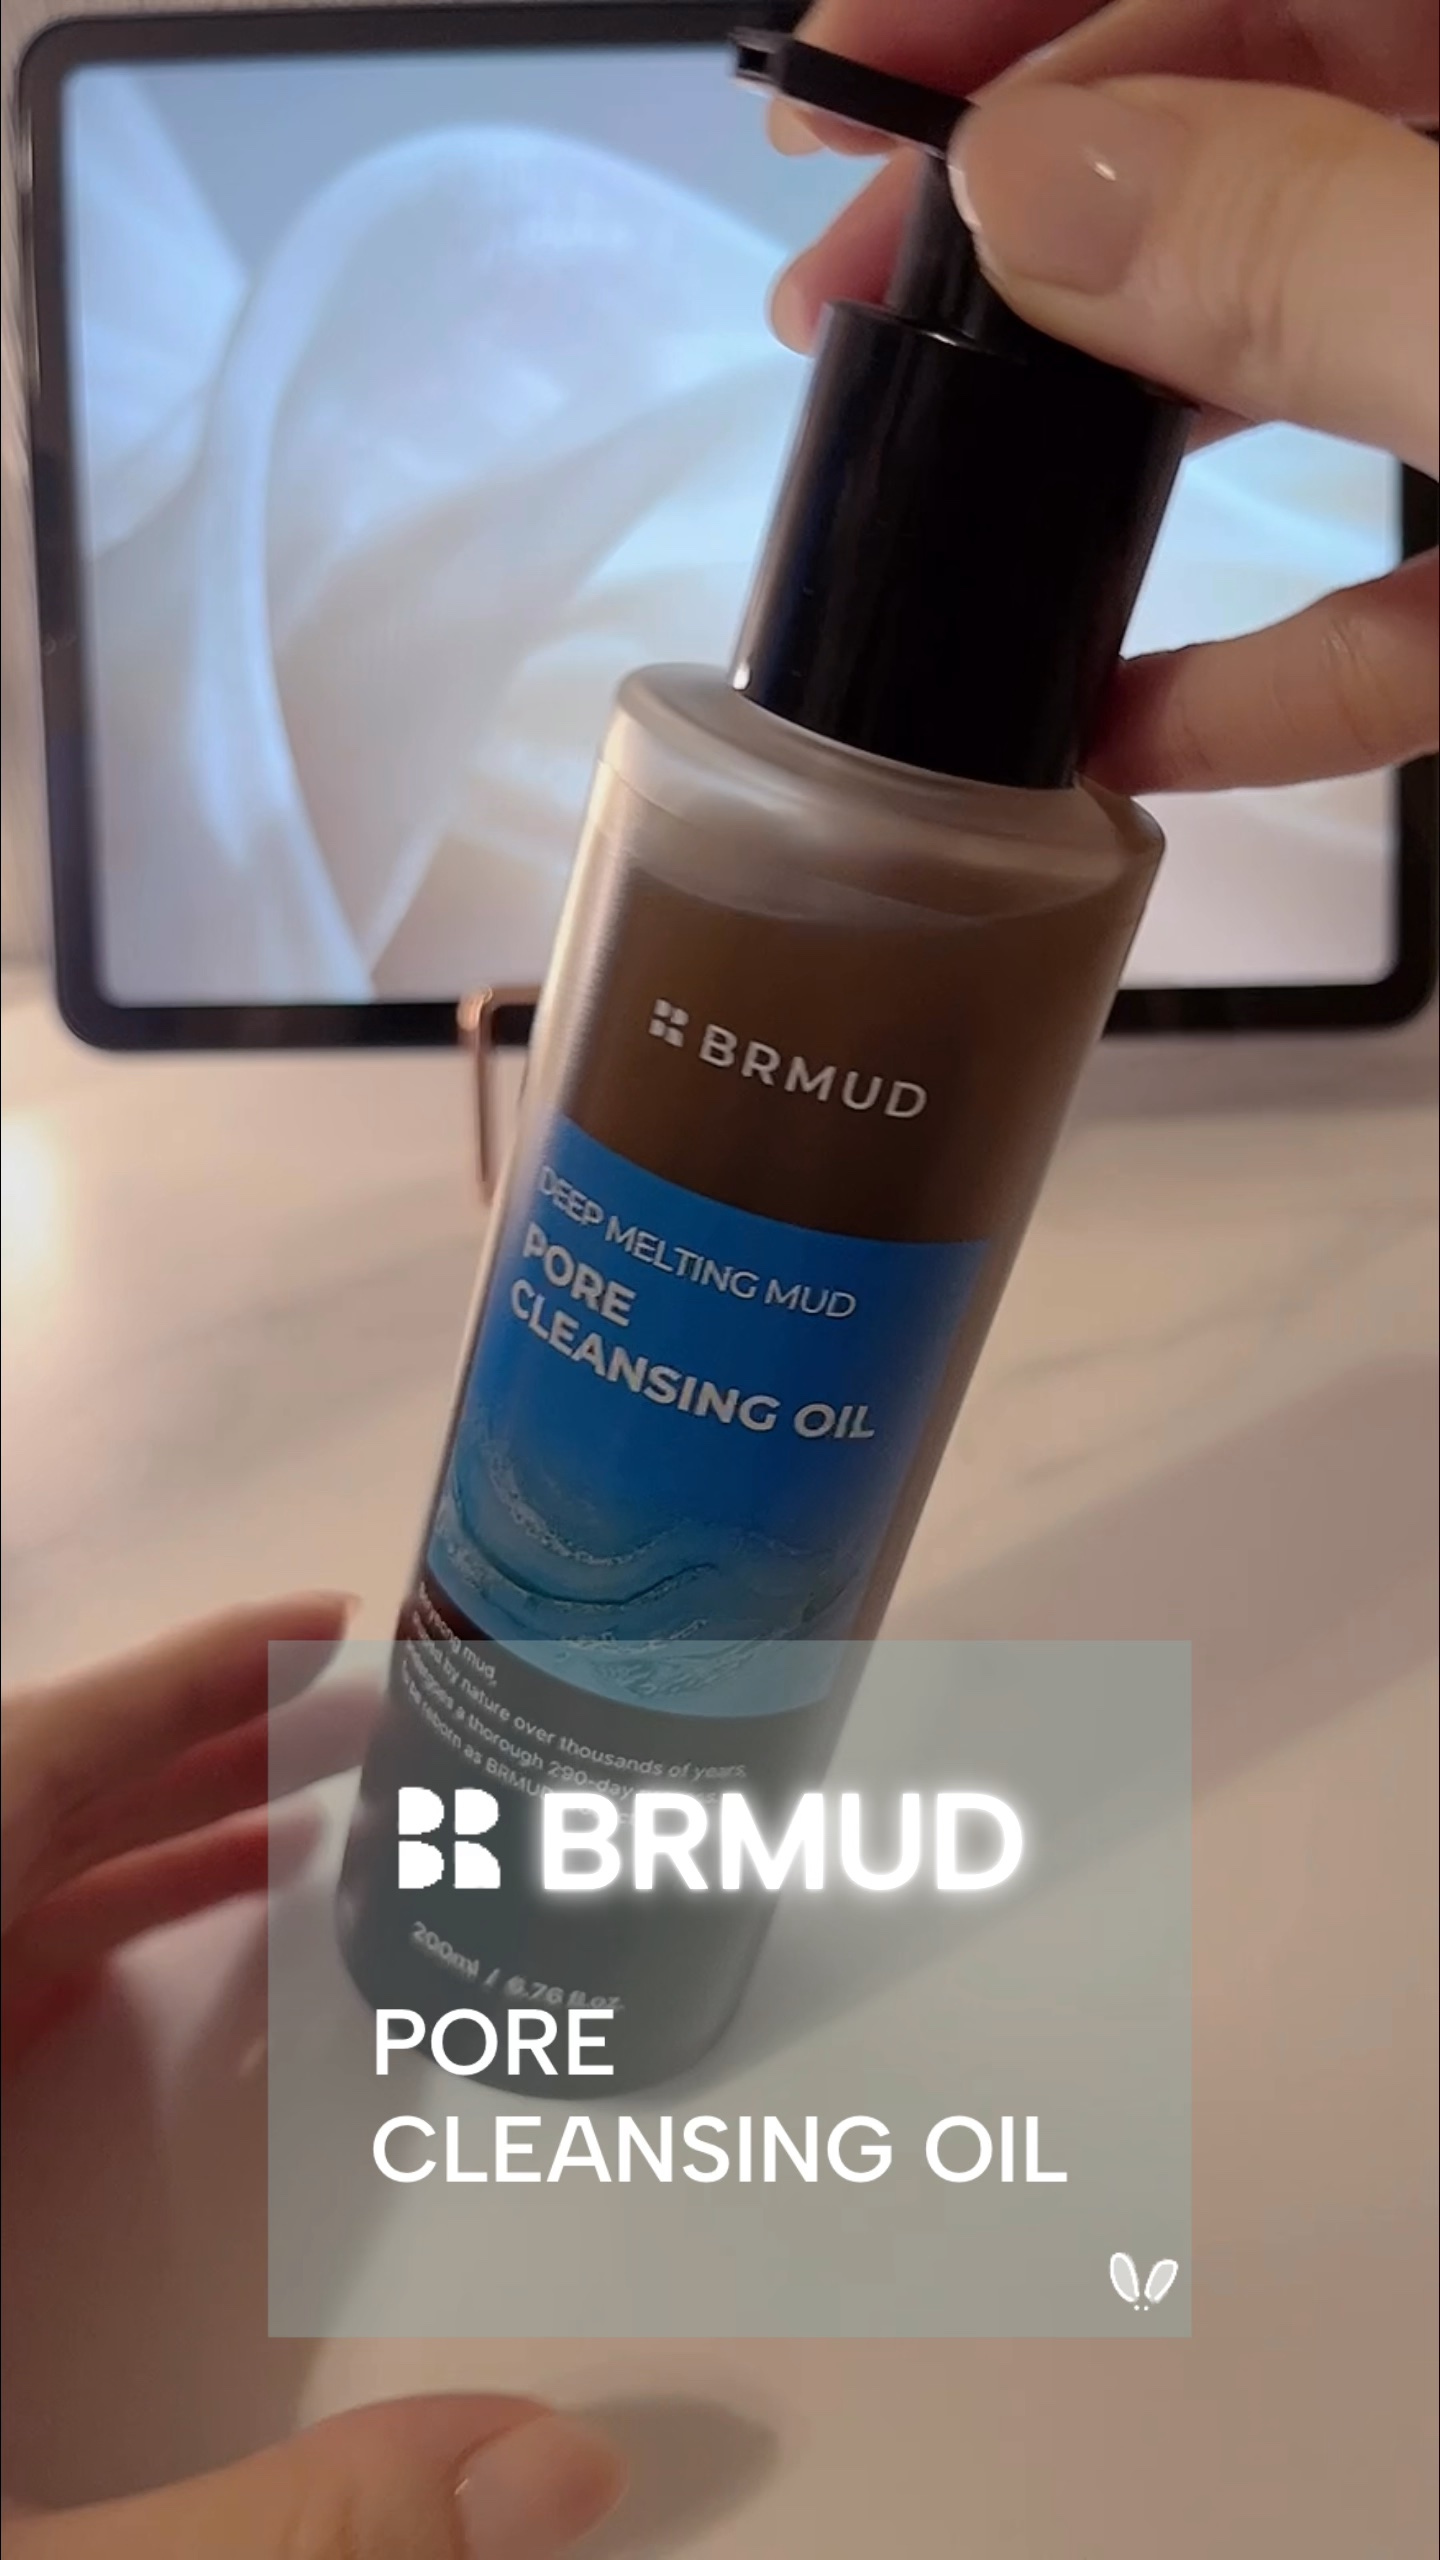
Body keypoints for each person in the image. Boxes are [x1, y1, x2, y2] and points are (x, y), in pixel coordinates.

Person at [2, 3, 1435, 2551]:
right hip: (432, 1803)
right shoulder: (701, 759)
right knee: (583, 1376)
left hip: (692, 1834)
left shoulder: (1037, 859)